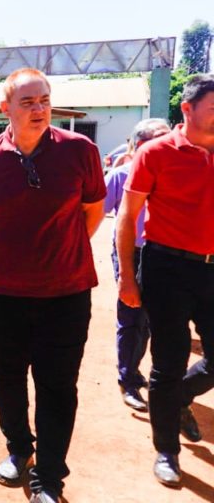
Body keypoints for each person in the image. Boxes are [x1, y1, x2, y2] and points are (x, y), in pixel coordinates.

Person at [0, 68, 105, 503]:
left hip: (67, 291)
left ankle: (50, 475)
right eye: (28, 102)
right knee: (7, 379)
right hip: (4, 295)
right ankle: (20, 449)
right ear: (6, 109)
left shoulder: (80, 150)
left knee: (58, 385)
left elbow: (92, 212)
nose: (39, 108)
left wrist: (58, 252)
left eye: (44, 100)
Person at [117, 73, 214, 487]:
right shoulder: (156, 153)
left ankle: (178, 400)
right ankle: (166, 452)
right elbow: (127, 216)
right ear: (187, 109)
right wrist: (126, 278)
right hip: (166, 268)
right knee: (168, 362)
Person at [103, 118, 171, 412]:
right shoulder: (120, 176)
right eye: (160, 141)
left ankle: (135, 370)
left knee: (151, 319)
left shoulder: (177, 177)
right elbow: (94, 210)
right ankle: (127, 379)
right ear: (140, 146)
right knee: (132, 317)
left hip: (167, 252)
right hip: (133, 251)